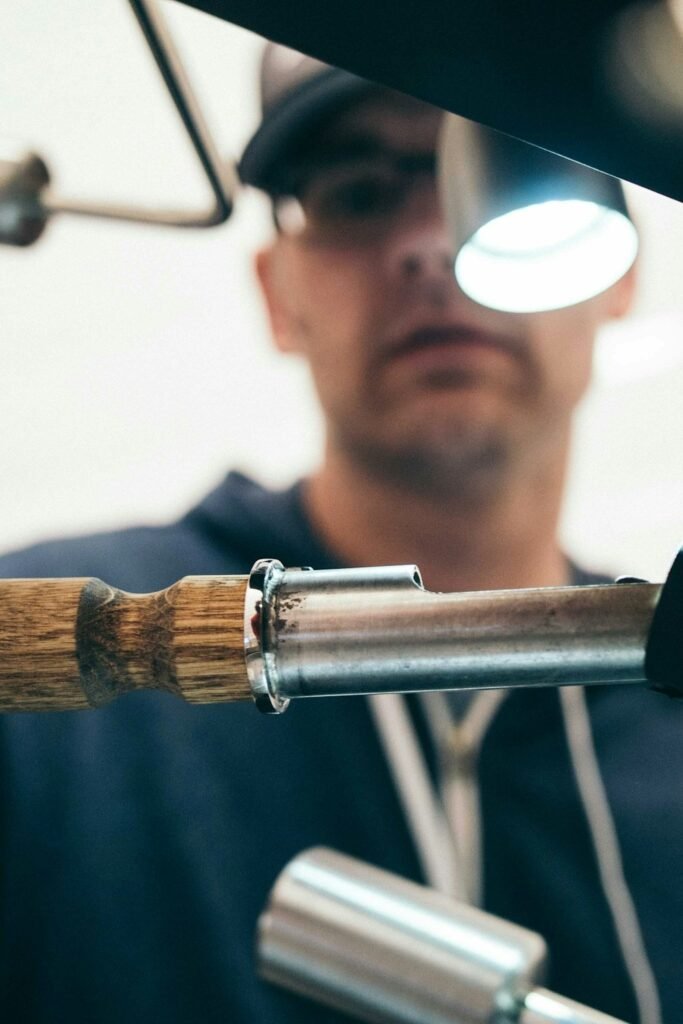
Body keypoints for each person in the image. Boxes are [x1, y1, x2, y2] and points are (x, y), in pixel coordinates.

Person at [0, 41, 679, 1024]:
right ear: (277, 294)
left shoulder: (666, 712)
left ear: (618, 273)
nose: (431, 242)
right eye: (357, 194)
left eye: (510, 182)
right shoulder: (48, 681)